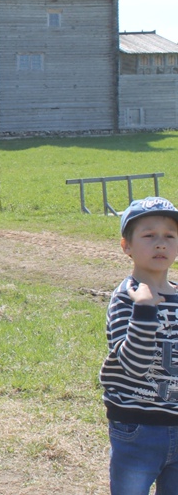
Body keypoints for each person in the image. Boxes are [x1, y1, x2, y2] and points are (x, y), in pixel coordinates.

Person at [99, 196, 178, 495]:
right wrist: (145, 310)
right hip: (137, 428)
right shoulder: (126, 299)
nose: (160, 244)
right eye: (149, 235)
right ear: (126, 246)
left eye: (169, 236)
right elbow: (134, 364)